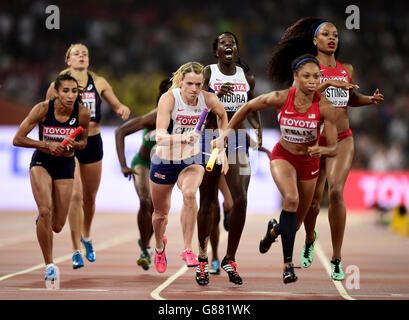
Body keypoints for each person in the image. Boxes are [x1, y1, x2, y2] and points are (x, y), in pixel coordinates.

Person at [268, 18, 384, 280]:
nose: (332, 38)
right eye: (325, 34)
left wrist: (370, 100)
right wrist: (330, 84)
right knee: (310, 204)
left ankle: (336, 258)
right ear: (315, 41)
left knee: (336, 191)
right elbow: (301, 97)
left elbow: (350, 99)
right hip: (312, 141)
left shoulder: (347, 69)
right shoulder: (308, 69)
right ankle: (310, 238)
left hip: (341, 138)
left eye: (335, 34)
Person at [214, 54, 338, 283]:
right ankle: (287, 265)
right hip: (283, 157)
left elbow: (334, 147)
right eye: (307, 76)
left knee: (296, 223)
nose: (312, 81)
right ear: (295, 77)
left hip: (309, 163)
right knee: (290, 199)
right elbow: (248, 106)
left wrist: (324, 151)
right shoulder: (281, 98)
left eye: (317, 76)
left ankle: (273, 231)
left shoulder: (325, 106)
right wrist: (226, 134)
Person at [46, 43, 131, 269]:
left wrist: (122, 109)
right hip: (69, 143)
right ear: (68, 60)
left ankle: (86, 236)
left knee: (89, 199)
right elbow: (46, 111)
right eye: (76, 53)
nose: (81, 56)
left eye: (85, 53)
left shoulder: (99, 82)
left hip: (93, 141)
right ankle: (75, 249)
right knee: (75, 196)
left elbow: (116, 104)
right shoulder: (58, 84)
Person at [196, 31, 262, 286]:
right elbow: (195, 104)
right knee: (208, 202)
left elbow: (251, 107)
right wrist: (215, 98)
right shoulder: (208, 73)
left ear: (236, 50)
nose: (228, 46)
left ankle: (230, 258)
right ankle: (202, 258)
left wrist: (257, 130)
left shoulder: (247, 77)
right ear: (216, 51)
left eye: (232, 43)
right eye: (223, 43)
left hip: (235, 140)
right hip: (209, 139)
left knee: (241, 200)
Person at [150, 61, 228, 274]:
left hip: (191, 160)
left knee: (190, 194)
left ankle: (187, 249)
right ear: (181, 82)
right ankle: (159, 247)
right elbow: (159, 137)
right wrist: (183, 137)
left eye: (199, 84)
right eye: (190, 84)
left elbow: (223, 117)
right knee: (160, 215)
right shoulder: (169, 99)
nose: (194, 89)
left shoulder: (208, 98)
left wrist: (221, 142)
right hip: (165, 160)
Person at [13, 74, 90, 281]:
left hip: (65, 165)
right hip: (42, 162)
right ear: (56, 92)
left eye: (74, 91)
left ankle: (44, 220)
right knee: (45, 210)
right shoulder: (42, 109)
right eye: (65, 91)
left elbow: (83, 141)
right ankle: (49, 264)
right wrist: (46, 144)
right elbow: (17, 139)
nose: (70, 95)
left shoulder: (82, 113)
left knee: (57, 225)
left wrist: (75, 145)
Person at [115, 78, 171, 271]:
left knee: (158, 211)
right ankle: (146, 250)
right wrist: (123, 165)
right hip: (143, 163)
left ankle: (146, 241)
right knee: (145, 201)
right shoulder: (153, 116)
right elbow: (120, 131)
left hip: (165, 165)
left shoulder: (184, 116)